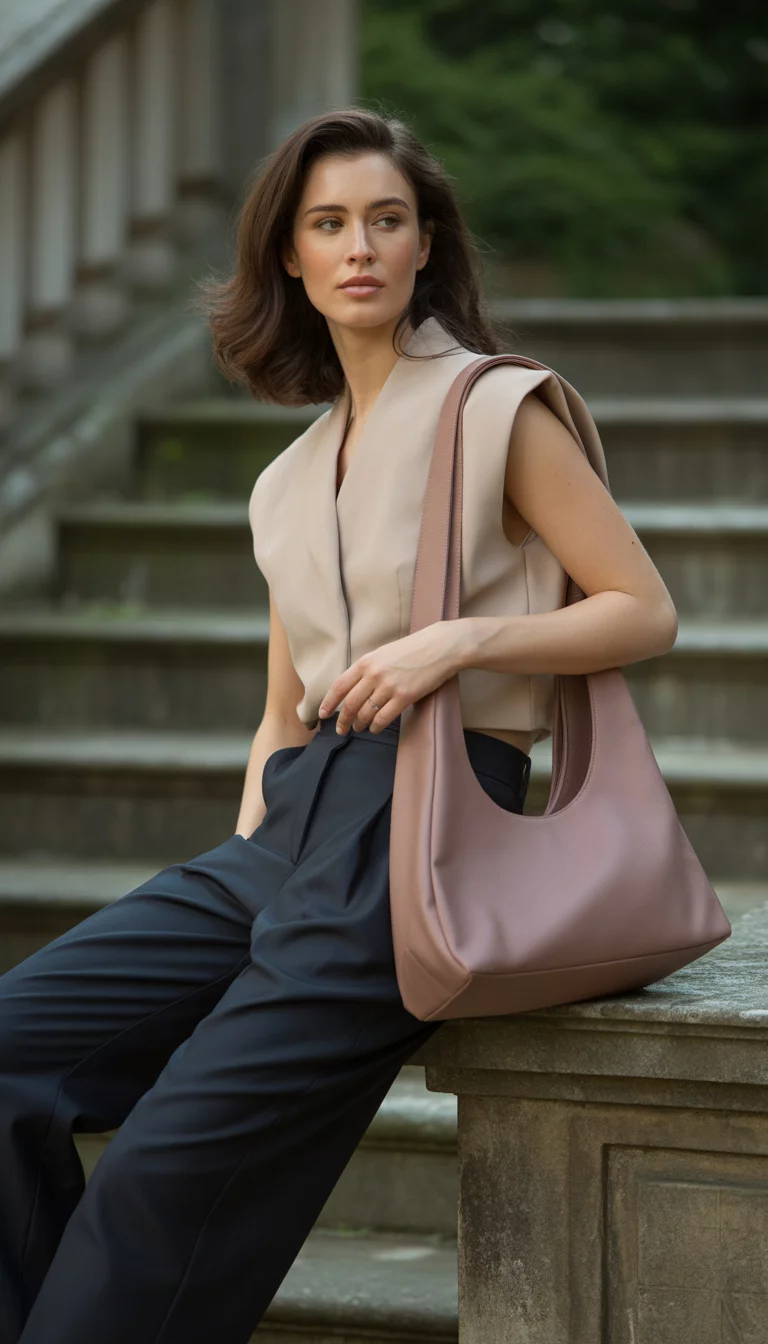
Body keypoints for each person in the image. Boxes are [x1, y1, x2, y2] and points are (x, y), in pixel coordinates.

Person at [0, 108, 678, 1344]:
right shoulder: (286, 476)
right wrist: (251, 864)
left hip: (425, 827)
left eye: (385, 219)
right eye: (328, 225)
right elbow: (279, 712)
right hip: (292, 832)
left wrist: (457, 641)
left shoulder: (497, 409)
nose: (358, 245)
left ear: (426, 246)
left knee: (167, 1166)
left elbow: (643, 608)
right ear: (291, 262)